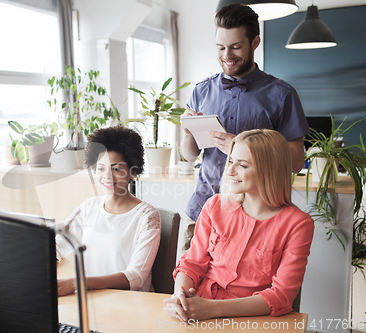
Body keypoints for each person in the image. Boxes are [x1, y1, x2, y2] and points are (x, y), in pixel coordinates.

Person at [178, 3, 310, 255]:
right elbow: (189, 155)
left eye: (236, 47)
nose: (226, 55)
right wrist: (187, 134)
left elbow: (294, 161)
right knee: (187, 290)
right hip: (202, 211)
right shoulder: (201, 91)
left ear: (255, 42)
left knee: (242, 293)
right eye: (220, 47)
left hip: (256, 218)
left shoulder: (282, 95)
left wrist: (242, 148)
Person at [164, 129, 314, 321]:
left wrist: (211, 309)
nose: (230, 171)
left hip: (251, 319)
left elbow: (281, 296)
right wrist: (181, 297)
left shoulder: (298, 224)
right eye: (231, 161)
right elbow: (191, 265)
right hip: (197, 312)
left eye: (242, 165)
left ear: (269, 169)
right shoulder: (214, 206)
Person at [56, 126, 161, 296]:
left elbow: (135, 277)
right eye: (100, 168)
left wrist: (78, 282)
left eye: (116, 169)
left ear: (133, 172)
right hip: (92, 301)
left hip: (132, 305)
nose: (107, 176)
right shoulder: (89, 207)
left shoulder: (147, 217)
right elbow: (57, 247)